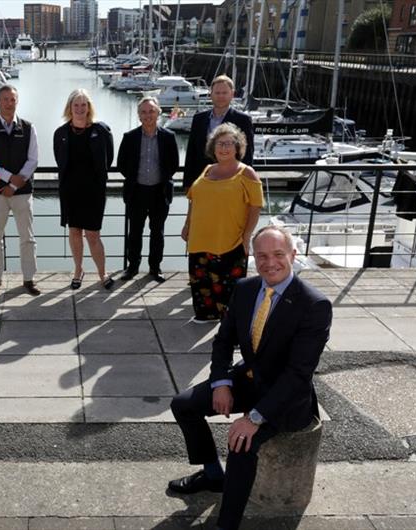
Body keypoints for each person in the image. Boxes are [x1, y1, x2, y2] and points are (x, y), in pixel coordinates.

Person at [168, 225, 332, 530]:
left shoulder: (314, 305)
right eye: (263, 255)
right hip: (248, 379)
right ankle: (213, 474)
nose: (271, 262)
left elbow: (298, 374)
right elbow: (223, 341)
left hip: (285, 399)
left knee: (241, 441)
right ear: (252, 256)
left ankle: (226, 525)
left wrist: (254, 417)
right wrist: (221, 382)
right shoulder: (244, 289)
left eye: (279, 254)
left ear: (294, 255)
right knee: (183, 404)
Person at [181, 123, 263, 323]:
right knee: (201, 282)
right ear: (213, 147)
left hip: (230, 239)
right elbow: (194, 199)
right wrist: (187, 224)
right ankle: (205, 315)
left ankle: (231, 325)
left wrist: (247, 236)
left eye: (228, 143)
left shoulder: (246, 173)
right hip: (200, 238)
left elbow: (256, 206)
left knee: (230, 287)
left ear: (237, 147)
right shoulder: (208, 170)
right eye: (220, 143)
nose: (224, 148)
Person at [0, 84, 41, 296]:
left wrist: (14, 184)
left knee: (27, 237)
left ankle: (29, 278)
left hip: (22, 192)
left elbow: (33, 160)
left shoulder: (28, 127)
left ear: (17, 101)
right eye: (5, 99)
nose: (8, 103)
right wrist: (6, 180)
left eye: (12, 99)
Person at [53, 88, 115, 290]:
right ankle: (78, 270)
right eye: (76, 105)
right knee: (74, 232)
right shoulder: (60, 133)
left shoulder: (102, 130)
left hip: (94, 192)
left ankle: (102, 273)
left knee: (93, 235)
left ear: (89, 107)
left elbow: (109, 159)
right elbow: (60, 161)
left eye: (83, 104)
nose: (80, 109)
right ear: (69, 108)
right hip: (70, 192)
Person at [117, 96, 180, 283]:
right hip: (136, 192)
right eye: (143, 112)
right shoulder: (130, 137)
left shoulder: (169, 137)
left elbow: (174, 164)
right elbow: (121, 164)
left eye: (151, 111)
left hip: (159, 192)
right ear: (138, 115)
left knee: (157, 232)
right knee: (135, 232)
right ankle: (133, 267)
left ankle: (155, 268)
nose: (148, 115)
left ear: (158, 112)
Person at [183, 75, 254, 190]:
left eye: (224, 93)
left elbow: (247, 155)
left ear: (232, 94)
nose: (221, 96)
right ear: (211, 94)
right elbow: (191, 153)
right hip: (202, 181)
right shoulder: (198, 119)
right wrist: (187, 184)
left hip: (231, 183)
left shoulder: (243, 120)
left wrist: (245, 184)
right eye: (217, 93)